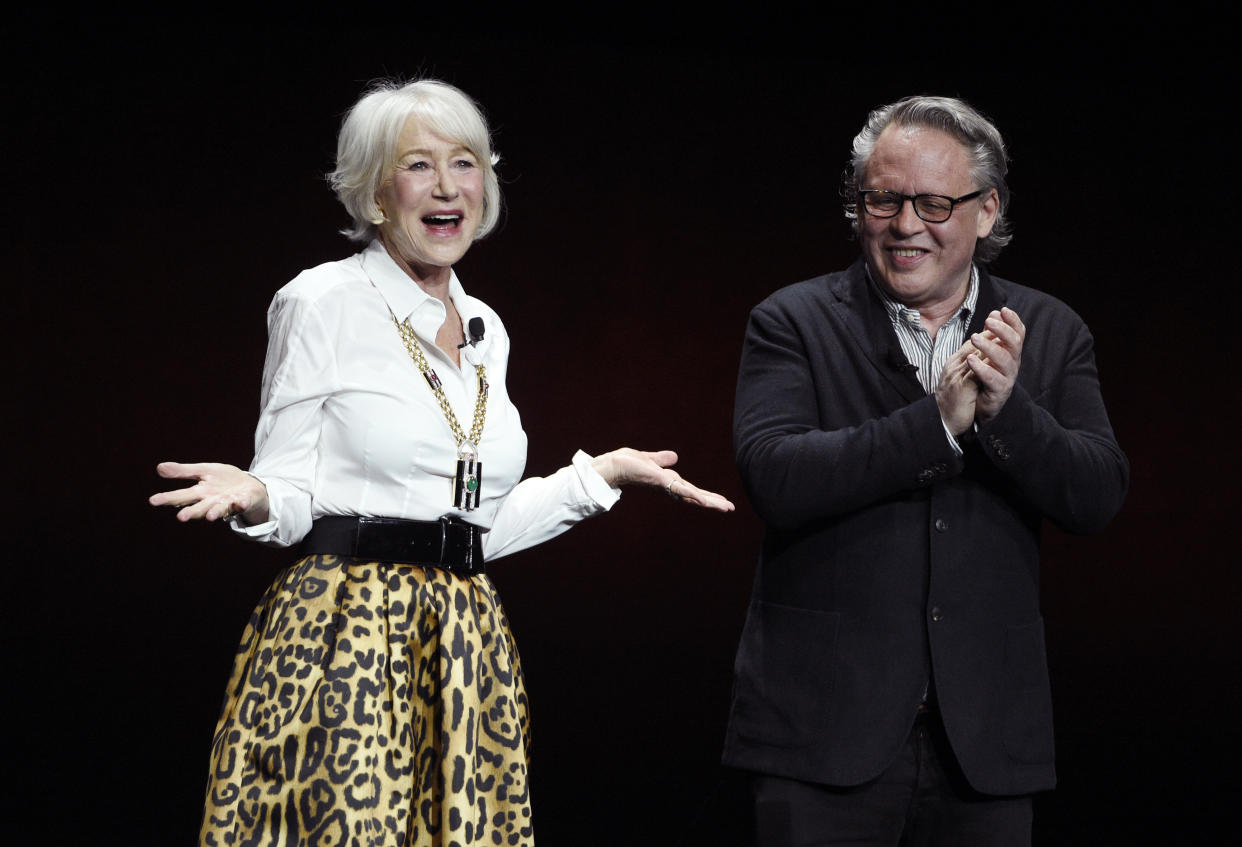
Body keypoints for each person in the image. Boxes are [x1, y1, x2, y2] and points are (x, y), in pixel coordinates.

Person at [149, 78, 733, 847]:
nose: (448, 185)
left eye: (465, 162)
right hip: (345, 633)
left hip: (465, 638)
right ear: (375, 191)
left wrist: (603, 476)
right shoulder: (322, 300)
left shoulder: (487, 326)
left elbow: (473, 527)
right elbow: (291, 493)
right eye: (418, 165)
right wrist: (256, 493)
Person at [722, 95, 1128, 845]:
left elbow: (1097, 492)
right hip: (820, 740)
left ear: (986, 209)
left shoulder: (1050, 331)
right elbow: (776, 474)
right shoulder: (793, 320)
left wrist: (1010, 412)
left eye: (935, 203)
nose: (906, 225)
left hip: (986, 747)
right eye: (883, 199)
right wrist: (936, 424)